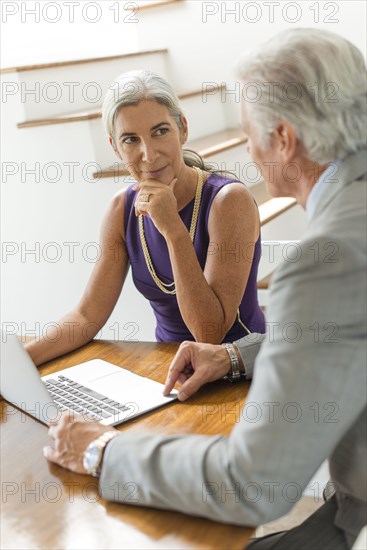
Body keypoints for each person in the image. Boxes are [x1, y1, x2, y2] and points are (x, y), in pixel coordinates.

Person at [43, 29, 366, 549]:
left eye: (246, 130)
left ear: (281, 137)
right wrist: (236, 358)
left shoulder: (324, 260)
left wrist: (102, 450)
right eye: (129, 139)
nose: (245, 146)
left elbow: (255, 484)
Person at [25, 70, 265, 366]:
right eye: (130, 139)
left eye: (160, 131)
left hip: (237, 372)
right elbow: (87, 316)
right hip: (168, 371)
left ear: (183, 129)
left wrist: (173, 231)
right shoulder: (121, 209)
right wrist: (20, 362)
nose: (148, 155)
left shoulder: (228, 202)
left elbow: (209, 333)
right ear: (115, 146)